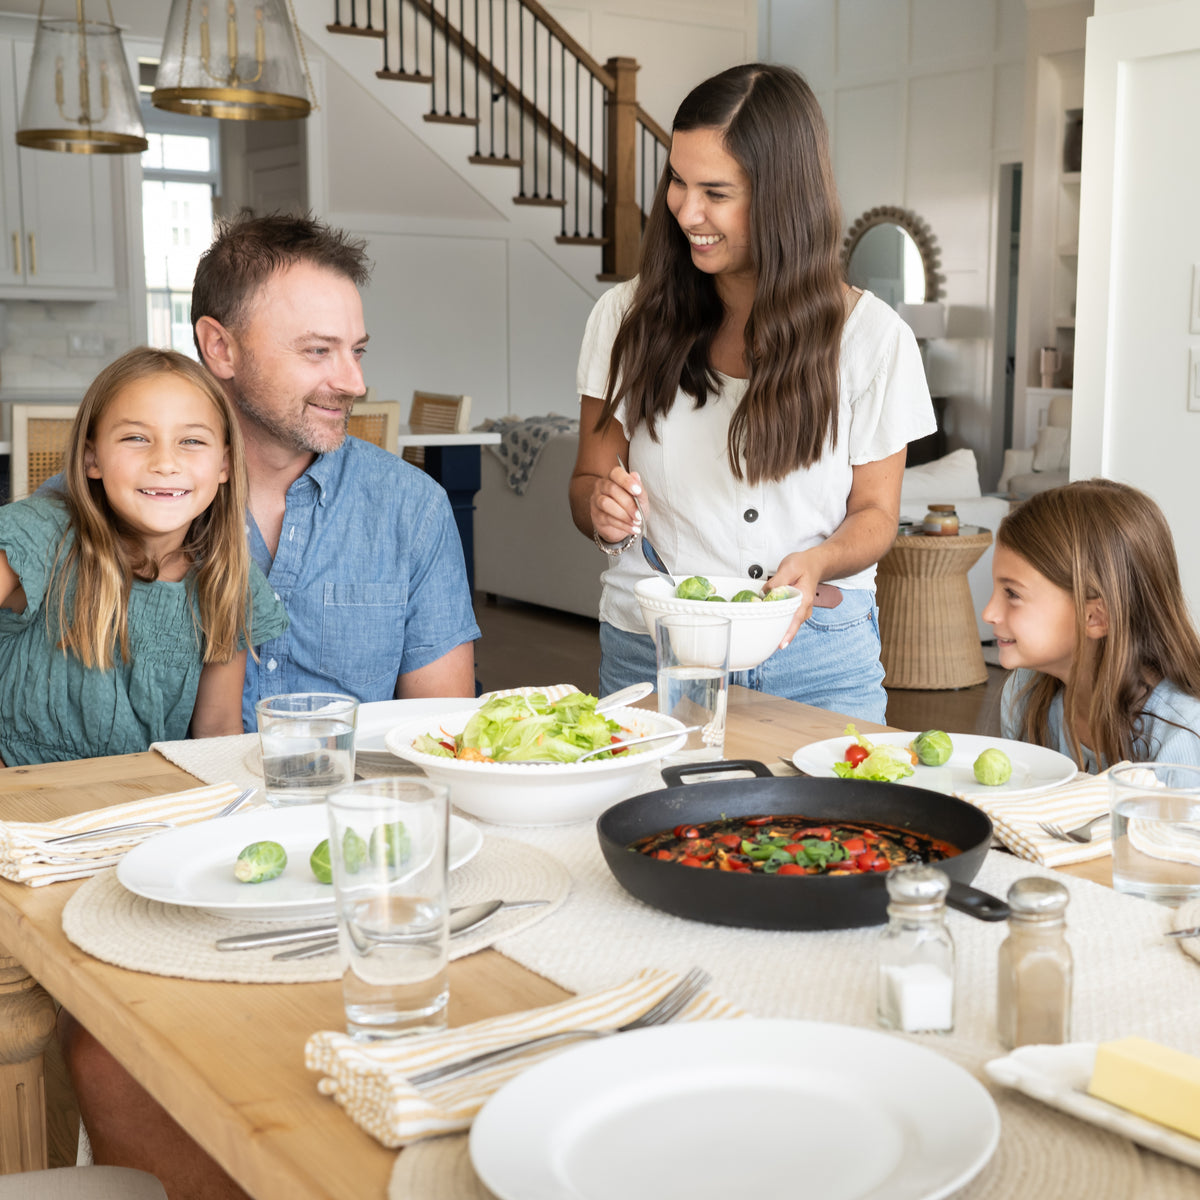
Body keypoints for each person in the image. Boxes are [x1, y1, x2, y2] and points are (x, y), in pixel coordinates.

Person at [60, 212, 481, 1200]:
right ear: (222, 349)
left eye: (359, 350)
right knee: (110, 1054)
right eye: (318, 351)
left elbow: (441, 737)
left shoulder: (408, 509)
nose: (355, 380)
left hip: (351, 865)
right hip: (171, 856)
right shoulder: (115, 502)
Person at [568, 63, 934, 723]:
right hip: (654, 642)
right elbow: (589, 478)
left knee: (828, 825)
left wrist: (821, 559)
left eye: (716, 191)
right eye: (676, 180)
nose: (686, 210)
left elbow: (877, 515)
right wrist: (601, 507)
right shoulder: (624, 317)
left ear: (782, 197)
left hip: (816, 651)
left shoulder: (872, 337)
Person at [0, 347, 287, 766]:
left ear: (224, 463)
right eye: (136, 438)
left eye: (191, 441)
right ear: (92, 457)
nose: (165, 462)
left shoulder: (225, 579)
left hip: (140, 810)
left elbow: (218, 731)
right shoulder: (40, 535)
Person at [983, 478, 1200, 771]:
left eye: (1012, 593)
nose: (989, 613)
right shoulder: (1024, 695)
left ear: (1095, 617)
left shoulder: (1182, 741)